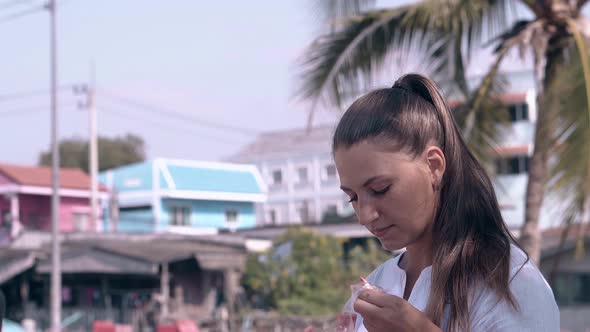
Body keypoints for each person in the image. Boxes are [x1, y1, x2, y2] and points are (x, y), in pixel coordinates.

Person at [333, 73, 559, 331]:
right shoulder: (378, 283)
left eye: (380, 189)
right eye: (352, 197)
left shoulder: (509, 280)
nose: (364, 215)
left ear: (434, 165)